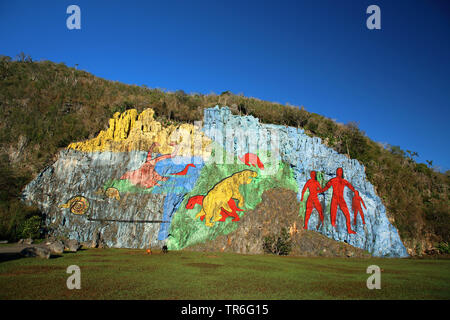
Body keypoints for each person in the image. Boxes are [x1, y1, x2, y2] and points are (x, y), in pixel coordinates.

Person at [319, 168, 356, 234]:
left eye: (340, 171)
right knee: (334, 215)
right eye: (338, 171)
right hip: (336, 198)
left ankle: (348, 230)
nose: (339, 172)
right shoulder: (339, 181)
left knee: (344, 214)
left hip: (338, 199)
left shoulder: (336, 180)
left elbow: (351, 187)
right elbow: (351, 188)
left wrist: (320, 191)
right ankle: (336, 229)